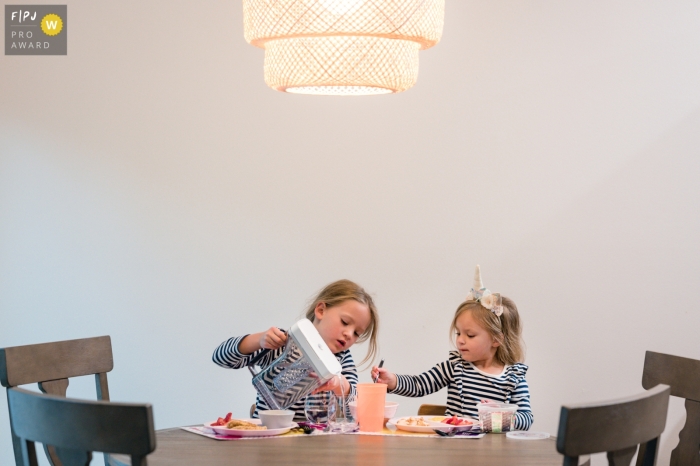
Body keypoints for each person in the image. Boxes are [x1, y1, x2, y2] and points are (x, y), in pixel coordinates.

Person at [371, 265, 533, 430]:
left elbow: (527, 419)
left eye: (470, 335)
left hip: (495, 453)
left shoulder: (514, 377)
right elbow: (419, 384)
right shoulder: (455, 367)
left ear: (496, 340)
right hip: (455, 449)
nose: (461, 340)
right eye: (458, 333)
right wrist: (393, 381)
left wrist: (501, 414)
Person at [213, 279, 379, 421]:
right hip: (270, 439)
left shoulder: (342, 360)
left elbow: (355, 409)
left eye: (357, 333)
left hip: (316, 445)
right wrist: (258, 340)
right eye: (344, 322)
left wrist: (339, 384)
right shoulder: (283, 342)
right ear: (321, 310)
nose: (349, 334)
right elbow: (221, 358)